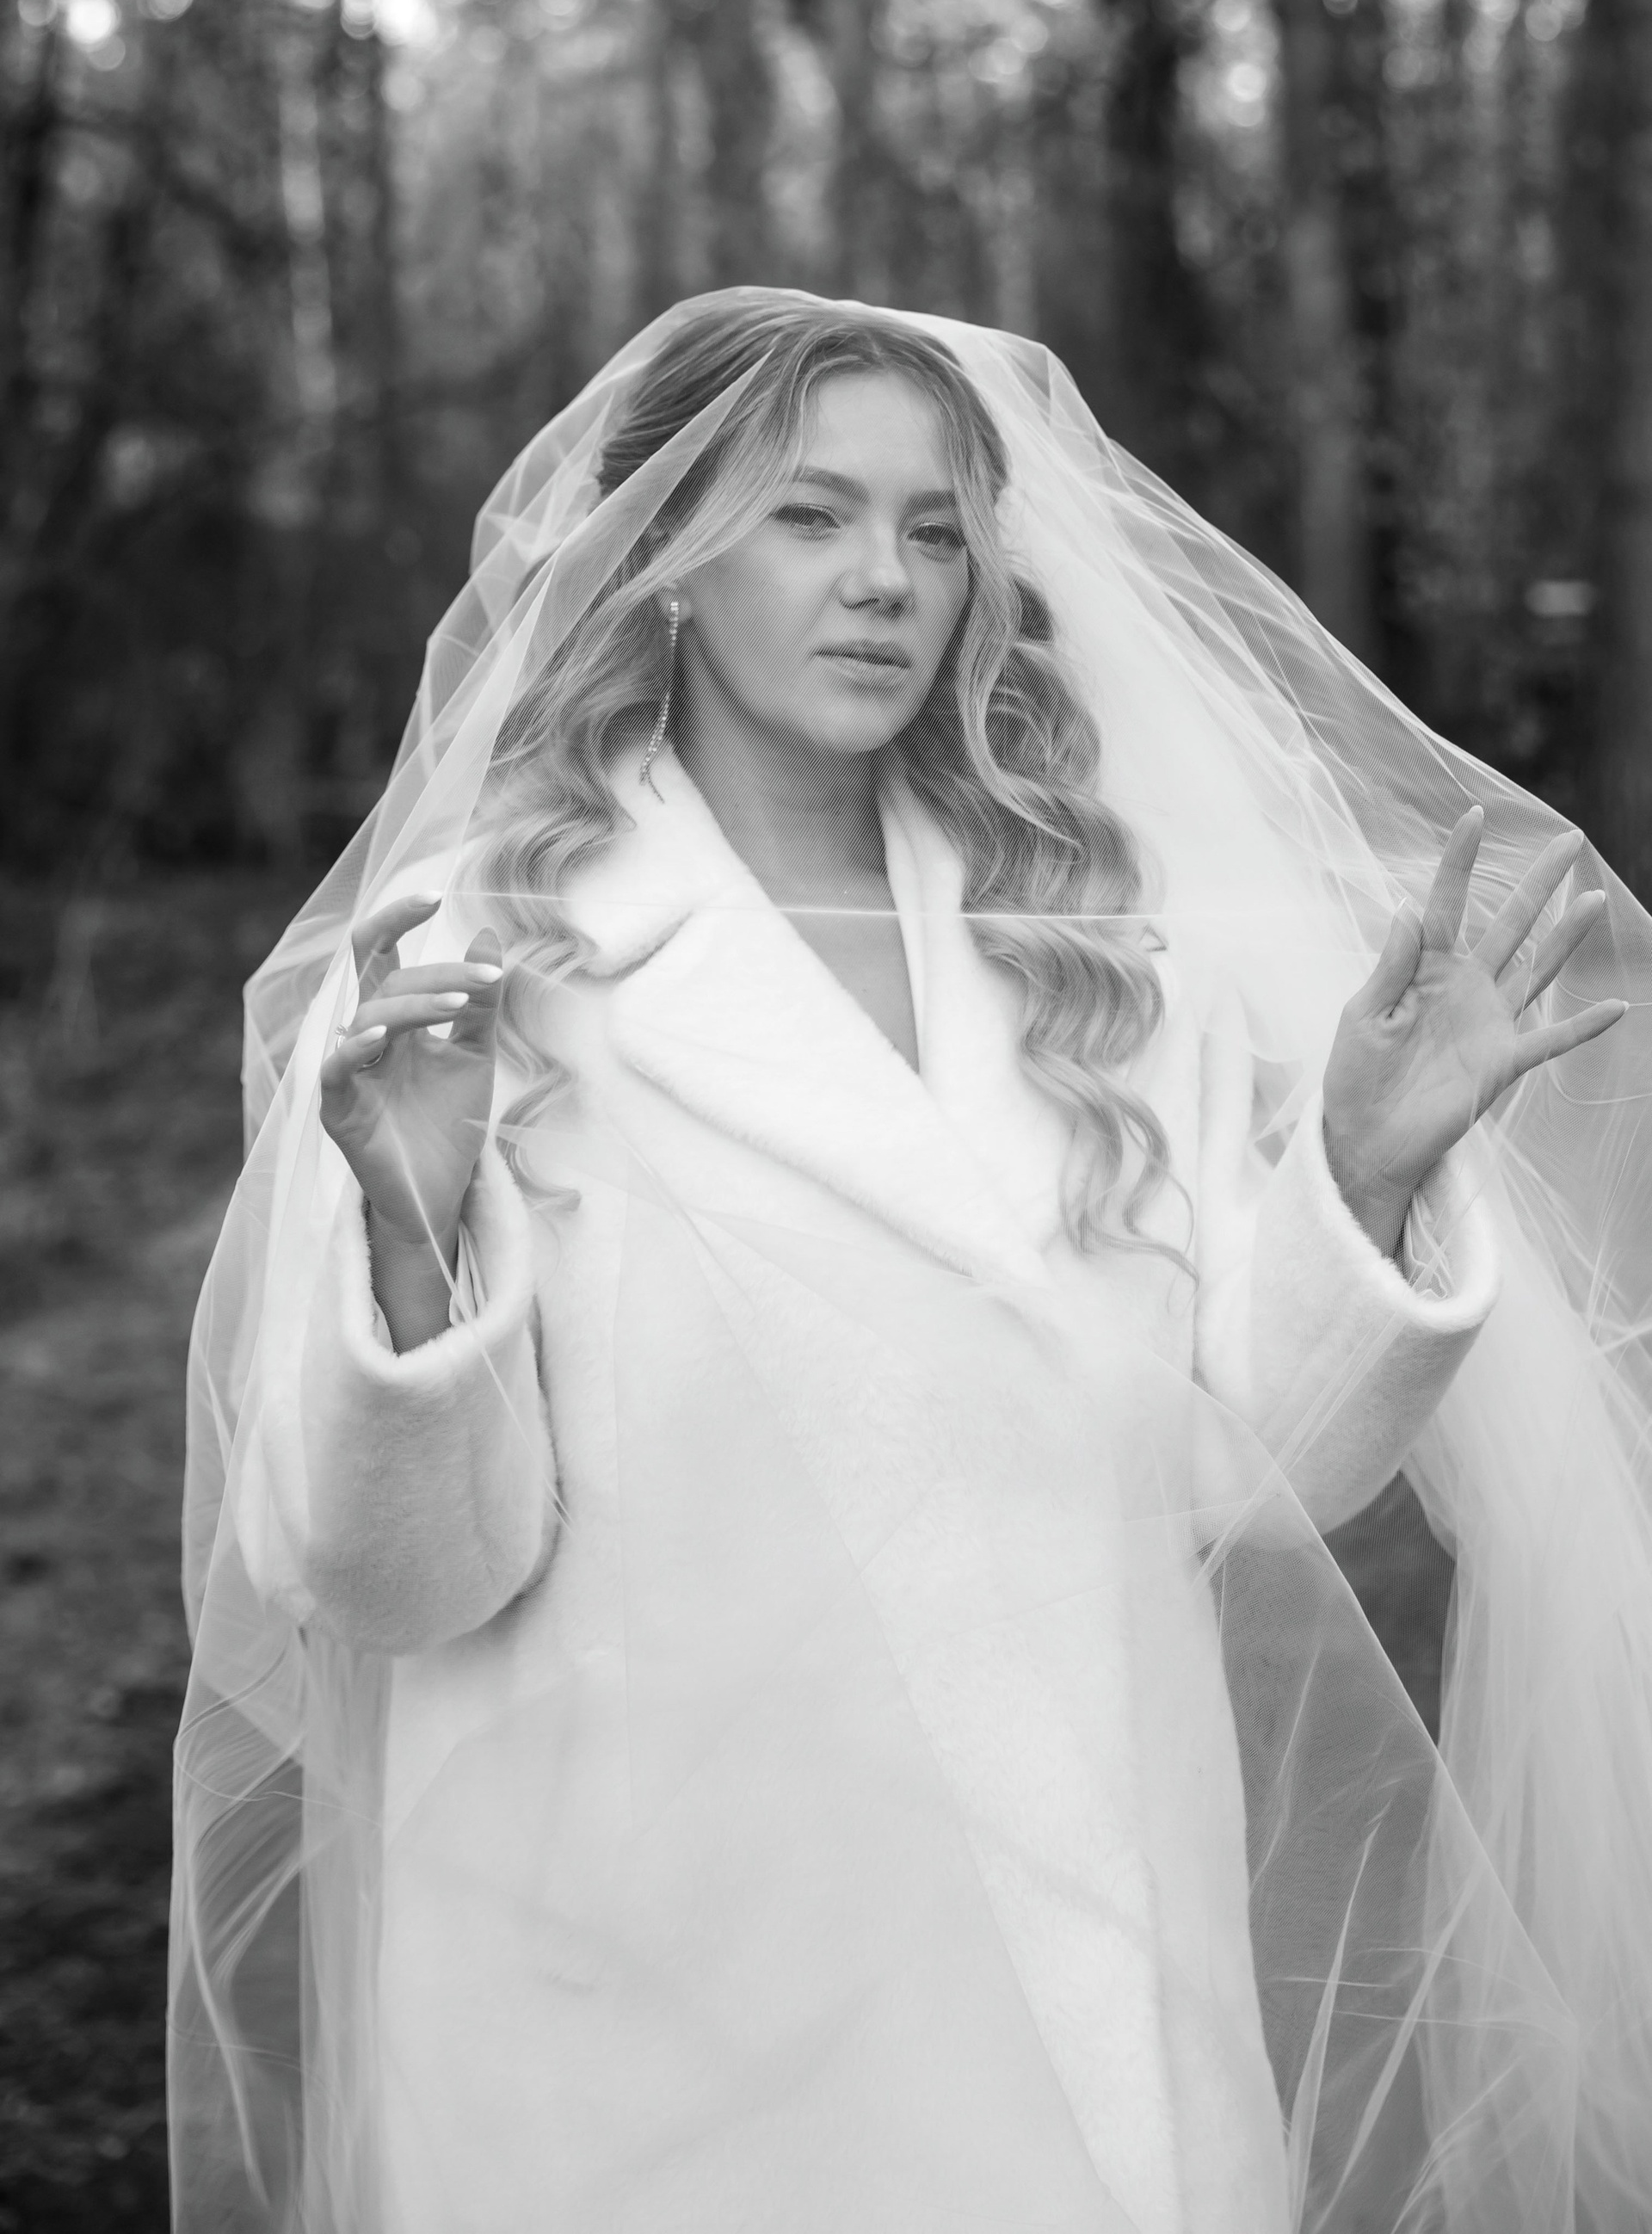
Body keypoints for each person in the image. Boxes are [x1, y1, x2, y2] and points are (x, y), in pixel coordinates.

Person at [170, 296, 1652, 2234]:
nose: (886, 579)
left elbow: (1253, 1471)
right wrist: (406, 1228)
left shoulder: (1092, 952)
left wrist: (1364, 1175)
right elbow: (392, 1580)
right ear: (665, 553)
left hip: (1086, 1939)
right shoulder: (480, 954)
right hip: (636, 1999)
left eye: (937, 531)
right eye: (811, 515)